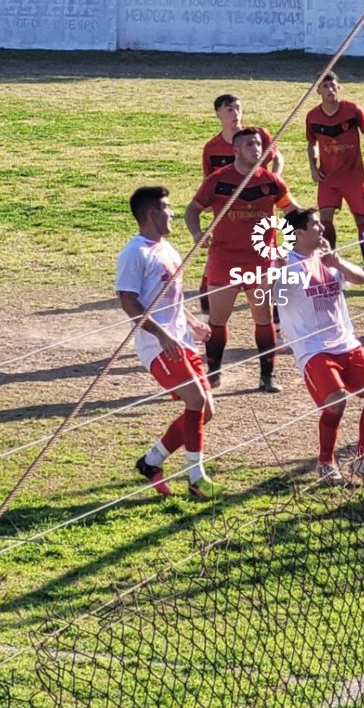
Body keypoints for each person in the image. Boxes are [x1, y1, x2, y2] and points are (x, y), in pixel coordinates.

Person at [116, 186, 222, 500]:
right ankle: (196, 478)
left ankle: (151, 462)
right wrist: (162, 336)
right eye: (166, 207)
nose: (172, 212)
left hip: (182, 342)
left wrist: (192, 324)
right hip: (157, 346)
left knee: (206, 409)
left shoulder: (168, 250)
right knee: (196, 401)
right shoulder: (136, 253)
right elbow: (129, 303)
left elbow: (169, 300)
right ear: (151, 213)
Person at [276, 208, 364, 483]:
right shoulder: (287, 264)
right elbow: (269, 295)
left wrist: (336, 262)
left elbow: (361, 279)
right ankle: (325, 463)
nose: (322, 229)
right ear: (299, 233)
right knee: (336, 403)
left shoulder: (327, 257)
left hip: (346, 343)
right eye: (316, 225)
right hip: (314, 349)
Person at [185, 128, 299, 393]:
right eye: (249, 144)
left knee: (262, 318)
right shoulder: (218, 181)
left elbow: (292, 211)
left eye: (258, 144)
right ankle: (213, 373)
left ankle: (267, 376)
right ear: (235, 150)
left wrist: (292, 241)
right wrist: (197, 233)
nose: (256, 148)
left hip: (260, 261)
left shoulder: (271, 181)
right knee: (218, 319)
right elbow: (193, 210)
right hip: (223, 261)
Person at [198, 94, 283, 315]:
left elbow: (277, 157)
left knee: (265, 253)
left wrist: (274, 179)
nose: (236, 114)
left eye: (238, 108)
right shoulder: (212, 148)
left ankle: (273, 318)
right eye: (229, 110)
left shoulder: (257, 135)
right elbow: (208, 181)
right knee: (222, 248)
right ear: (218, 114)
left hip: (259, 206)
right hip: (229, 210)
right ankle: (208, 293)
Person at [306, 71, 364, 281]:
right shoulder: (312, 116)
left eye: (332, 85)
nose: (329, 90)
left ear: (339, 88)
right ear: (317, 90)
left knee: (361, 220)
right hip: (328, 179)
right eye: (324, 86)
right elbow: (311, 144)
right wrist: (313, 166)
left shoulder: (352, 110)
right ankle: (331, 265)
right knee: (325, 220)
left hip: (353, 177)